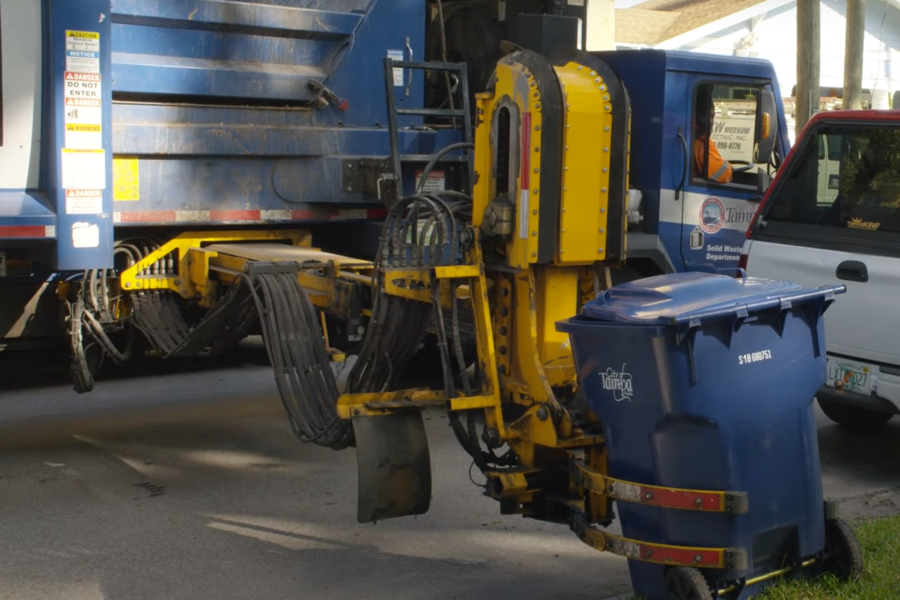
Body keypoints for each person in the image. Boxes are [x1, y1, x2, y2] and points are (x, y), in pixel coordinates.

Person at [692, 94, 733, 183]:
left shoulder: (696, 137)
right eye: (706, 117)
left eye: (712, 117)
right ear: (695, 117)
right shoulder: (700, 142)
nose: (711, 122)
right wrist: (730, 169)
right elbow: (723, 174)